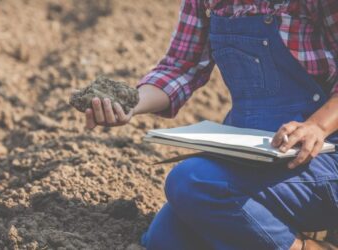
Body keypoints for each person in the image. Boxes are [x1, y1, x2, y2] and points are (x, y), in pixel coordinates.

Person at [84, 1, 338, 249]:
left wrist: (317, 125)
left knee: (191, 181)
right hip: (249, 153)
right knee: (167, 239)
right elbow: (181, 66)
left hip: (316, 158)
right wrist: (131, 103)